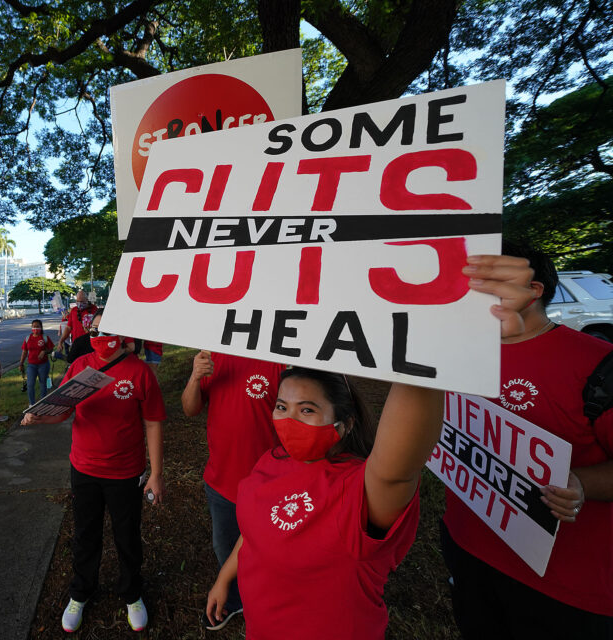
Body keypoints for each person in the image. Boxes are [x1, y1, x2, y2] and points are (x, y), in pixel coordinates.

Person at [205, 254, 536, 640]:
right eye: (282, 406)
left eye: (307, 409)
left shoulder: (359, 490)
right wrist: (225, 578)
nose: (288, 419)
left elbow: (398, 467)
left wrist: (439, 338)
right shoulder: (270, 460)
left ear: (343, 425)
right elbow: (256, 528)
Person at [441, 241, 613, 639]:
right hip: (468, 549)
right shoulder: (455, 354)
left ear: (533, 290)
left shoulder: (597, 365)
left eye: (489, 280)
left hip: (564, 585)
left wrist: (581, 483)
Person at [23, 320, 166, 633]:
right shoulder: (80, 366)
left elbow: (153, 422)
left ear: (123, 333)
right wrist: (40, 418)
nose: (101, 337)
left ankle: (131, 593)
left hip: (126, 472)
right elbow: (63, 410)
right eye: (96, 331)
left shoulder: (139, 372)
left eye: (109, 330)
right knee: (86, 535)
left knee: (127, 536)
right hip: (84, 469)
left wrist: (156, 473)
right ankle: (81, 592)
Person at [181, 350, 286, 630]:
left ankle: (267, 602)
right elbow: (190, 409)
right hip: (221, 481)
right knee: (225, 547)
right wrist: (194, 377)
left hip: (269, 485)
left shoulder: (280, 360)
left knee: (269, 551)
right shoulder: (213, 356)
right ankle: (236, 598)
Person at [19, 318, 55, 405]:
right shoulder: (28, 338)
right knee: (30, 384)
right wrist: (21, 363)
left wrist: (44, 351)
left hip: (43, 365)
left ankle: (43, 403)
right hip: (31, 365)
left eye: (37, 326)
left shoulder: (45, 338)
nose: (35, 328)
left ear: (41, 327)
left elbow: (51, 349)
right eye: (34, 326)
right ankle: (32, 404)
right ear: (31, 327)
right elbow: (24, 352)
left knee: (43, 384)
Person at [56, 290, 98, 354]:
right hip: (76, 345)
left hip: (91, 345)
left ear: (87, 300)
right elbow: (68, 328)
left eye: (81, 301)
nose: (79, 303)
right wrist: (60, 341)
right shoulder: (74, 310)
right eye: (77, 301)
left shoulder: (94, 309)